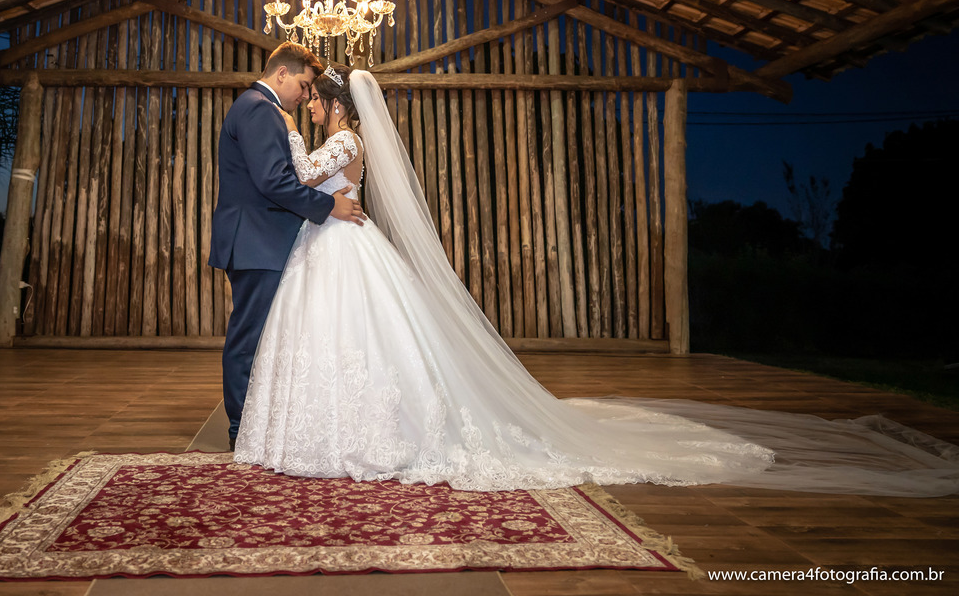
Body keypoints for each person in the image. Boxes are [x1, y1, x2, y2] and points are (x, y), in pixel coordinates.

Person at [234, 64, 959, 497]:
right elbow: (309, 186)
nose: (309, 107)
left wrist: (298, 144)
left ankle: (360, 436)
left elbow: (296, 176)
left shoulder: (339, 139)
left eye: (313, 103)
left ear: (331, 106)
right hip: (330, 242)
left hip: (338, 246)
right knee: (357, 344)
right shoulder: (345, 137)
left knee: (360, 343)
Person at [208, 42, 365, 452]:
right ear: (281, 74)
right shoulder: (261, 107)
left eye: (312, 89)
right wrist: (329, 205)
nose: (304, 95)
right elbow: (274, 182)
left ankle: (263, 422)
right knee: (250, 339)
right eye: (302, 84)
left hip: (266, 240)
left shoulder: (258, 106)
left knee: (268, 338)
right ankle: (241, 429)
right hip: (257, 239)